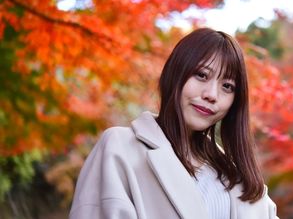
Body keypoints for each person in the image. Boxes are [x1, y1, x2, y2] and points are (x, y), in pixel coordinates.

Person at [69, 28, 278, 219]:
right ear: (175, 73)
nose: (212, 95)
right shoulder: (120, 147)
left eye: (227, 86)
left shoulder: (240, 177)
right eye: (202, 75)